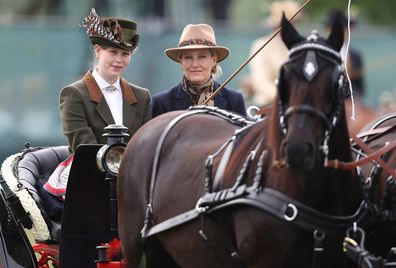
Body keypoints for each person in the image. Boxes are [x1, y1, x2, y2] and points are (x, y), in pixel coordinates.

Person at [60, 8, 151, 153]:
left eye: (125, 54)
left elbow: (146, 146)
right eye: (113, 52)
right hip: (90, 174)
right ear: (97, 50)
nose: (119, 60)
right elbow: (85, 150)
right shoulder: (74, 94)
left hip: (133, 174)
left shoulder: (142, 96)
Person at [152, 23, 246, 117]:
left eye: (202, 57)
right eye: (188, 57)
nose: (195, 64)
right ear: (181, 62)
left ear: (214, 60)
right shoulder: (161, 103)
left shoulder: (234, 100)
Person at [325, 10, 376, 135]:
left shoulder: (355, 55)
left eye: (345, 29)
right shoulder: (323, 54)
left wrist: (354, 102)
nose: (344, 32)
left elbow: (360, 86)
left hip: (350, 105)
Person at [248, 0, 301, 107]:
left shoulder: (300, 47)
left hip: (297, 105)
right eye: (290, 22)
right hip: (268, 104)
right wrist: (285, 97)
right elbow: (260, 80)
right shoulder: (261, 45)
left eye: (294, 22)